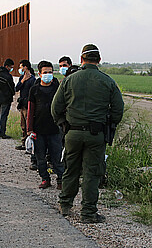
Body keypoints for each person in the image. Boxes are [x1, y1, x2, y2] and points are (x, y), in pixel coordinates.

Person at [52, 44, 124, 223]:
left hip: (72, 133)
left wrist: (64, 124)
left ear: (81, 59)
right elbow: (118, 111)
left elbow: (55, 108)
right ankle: (88, 213)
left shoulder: (69, 80)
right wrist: (108, 125)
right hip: (95, 135)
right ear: (99, 60)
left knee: (70, 170)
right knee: (92, 173)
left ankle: (65, 205)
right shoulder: (107, 81)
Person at [28, 60, 64, 189]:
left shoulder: (58, 89)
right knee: (40, 158)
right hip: (39, 130)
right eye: (45, 72)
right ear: (39, 73)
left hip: (55, 130)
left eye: (50, 72)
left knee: (57, 158)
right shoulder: (34, 90)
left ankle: (61, 180)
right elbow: (30, 110)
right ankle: (45, 179)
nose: (48, 75)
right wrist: (29, 129)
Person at [14, 59, 35, 149]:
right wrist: (23, 80)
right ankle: (24, 142)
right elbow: (16, 88)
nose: (20, 69)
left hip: (28, 105)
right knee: (23, 125)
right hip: (22, 104)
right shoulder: (21, 78)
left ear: (25, 67)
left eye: (21, 67)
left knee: (28, 125)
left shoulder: (32, 79)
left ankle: (29, 144)